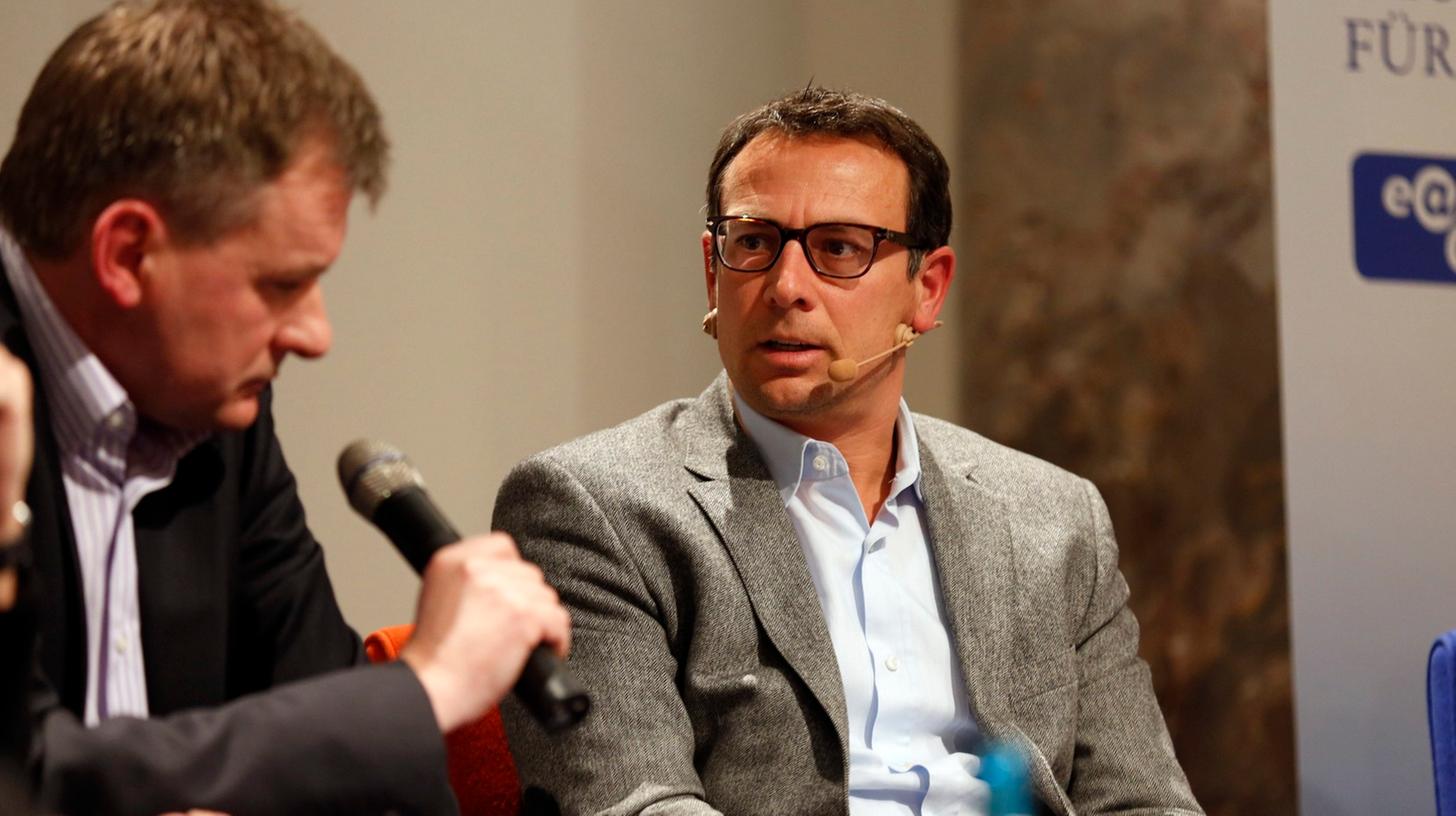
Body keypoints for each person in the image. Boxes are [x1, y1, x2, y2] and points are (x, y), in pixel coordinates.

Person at [493, 87, 1201, 815]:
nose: (786, 287)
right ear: (713, 271)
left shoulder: (1053, 518)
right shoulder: (592, 509)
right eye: (754, 243)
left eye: (839, 248)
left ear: (926, 289)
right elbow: (634, 805)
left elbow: (1146, 800)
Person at [0, 1, 569, 813]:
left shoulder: (212, 413)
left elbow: (358, 773)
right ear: (128, 253)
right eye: (281, 284)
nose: (315, 334)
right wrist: (425, 687)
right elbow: (24, 773)